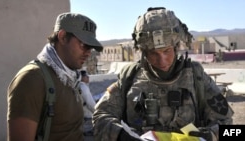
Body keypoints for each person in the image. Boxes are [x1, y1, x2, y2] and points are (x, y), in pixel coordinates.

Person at [93, 7, 233, 141]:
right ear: (143, 52)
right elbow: (101, 116)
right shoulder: (129, 77)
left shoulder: (196, 77)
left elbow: (230, 127)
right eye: (153, 53)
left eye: (167, 51)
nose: (162, 60)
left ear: (176, 47)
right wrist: (122, 136)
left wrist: (209, 136)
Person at [7, 12, 103, 141]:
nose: (88, 53)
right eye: (84, 45)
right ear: (63, 37)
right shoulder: (32, 79)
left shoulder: (72, 78)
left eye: (90, 48)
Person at [79, 70, 96, 135]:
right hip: (87, 116)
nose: (88, 77)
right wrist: (97, 112)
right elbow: (90, 103)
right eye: (86, 76)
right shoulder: (83, 87)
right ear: (82, 77)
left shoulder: (80, 86)